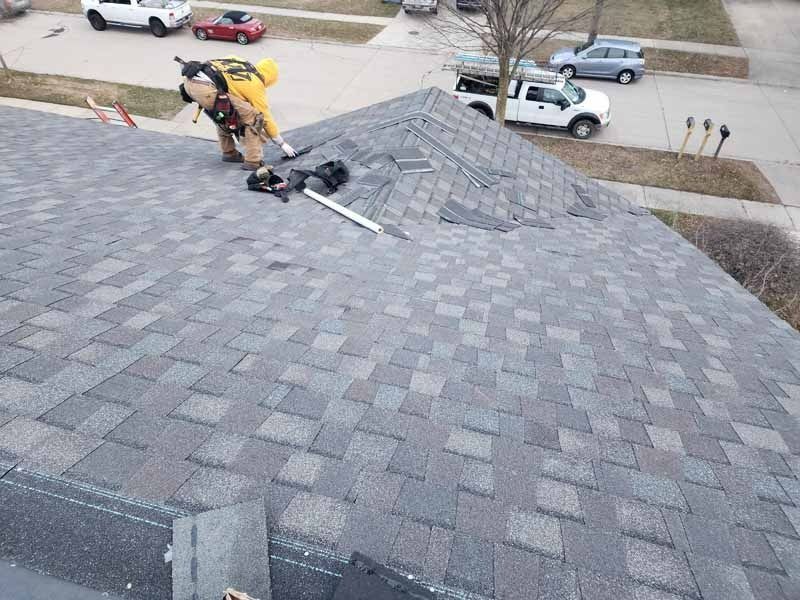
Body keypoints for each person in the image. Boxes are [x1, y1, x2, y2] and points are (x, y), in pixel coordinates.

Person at [182, 56, 297, 170]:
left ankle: (229, 152)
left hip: (189, 81)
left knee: (224, 113)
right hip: (206, 89)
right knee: (255, 117)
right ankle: (253, 161)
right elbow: (265, 116)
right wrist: (281, 143)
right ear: (270, 79)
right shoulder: (255, 84)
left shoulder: (240, 63)